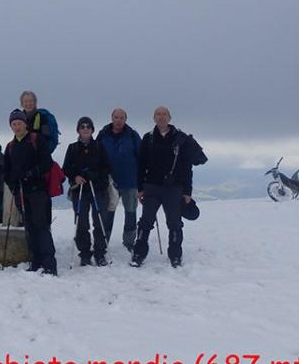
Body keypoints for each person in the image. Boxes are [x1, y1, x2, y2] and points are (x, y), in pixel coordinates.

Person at [130, 106, 206, 268]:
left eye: (164, 114)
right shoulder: (148, 138)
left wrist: (187, 192)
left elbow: (187, 167)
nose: (161, 117)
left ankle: (175, 255)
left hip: (174, 188)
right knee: (145, 221)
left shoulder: (181, 138)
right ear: (154, 118)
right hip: (151, 186)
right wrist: (140, 188)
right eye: (158, 114)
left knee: (174, 222)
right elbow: (141, 165)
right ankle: (138, 254)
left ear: (169, 118)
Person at [3, 109, 58, 275]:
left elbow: (47, 163)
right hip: (21, 192)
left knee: (41, 226)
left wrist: (31, 173)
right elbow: (6, 171)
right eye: (14, 124)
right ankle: (35, 262)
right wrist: (13, 182)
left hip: (38, 190)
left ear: (25, 124)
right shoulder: (10, 146)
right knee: (30, 227)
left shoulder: (36, 140)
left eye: (19, 123)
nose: (17, 126)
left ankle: (49, 264)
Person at [62, 116, 112, 266]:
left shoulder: (99, 146)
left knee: (100, 221)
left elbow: (108, 166)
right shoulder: (72, 148)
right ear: (78, 129)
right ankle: (84, 253)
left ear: (92, 130)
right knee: (81, 223)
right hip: (80, 190)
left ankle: (100, 253)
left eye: (88, 127)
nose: (85, 129)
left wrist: (96, 175)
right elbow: (66, 168)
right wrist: (75, 176)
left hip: (98, 189)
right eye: (82, 127)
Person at [96, 108, 142, 252]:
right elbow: (96, 154)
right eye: (116, 117)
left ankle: (129, 241)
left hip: (130, 180)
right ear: (112, 118)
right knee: (108, 213)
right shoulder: (103, 134)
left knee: (130, 212)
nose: (119, 120)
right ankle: (104, 240)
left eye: (121, 117)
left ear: (125, 119)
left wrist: (143, 179)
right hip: (109, 181)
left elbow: (141, 158)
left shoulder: (133, 136)